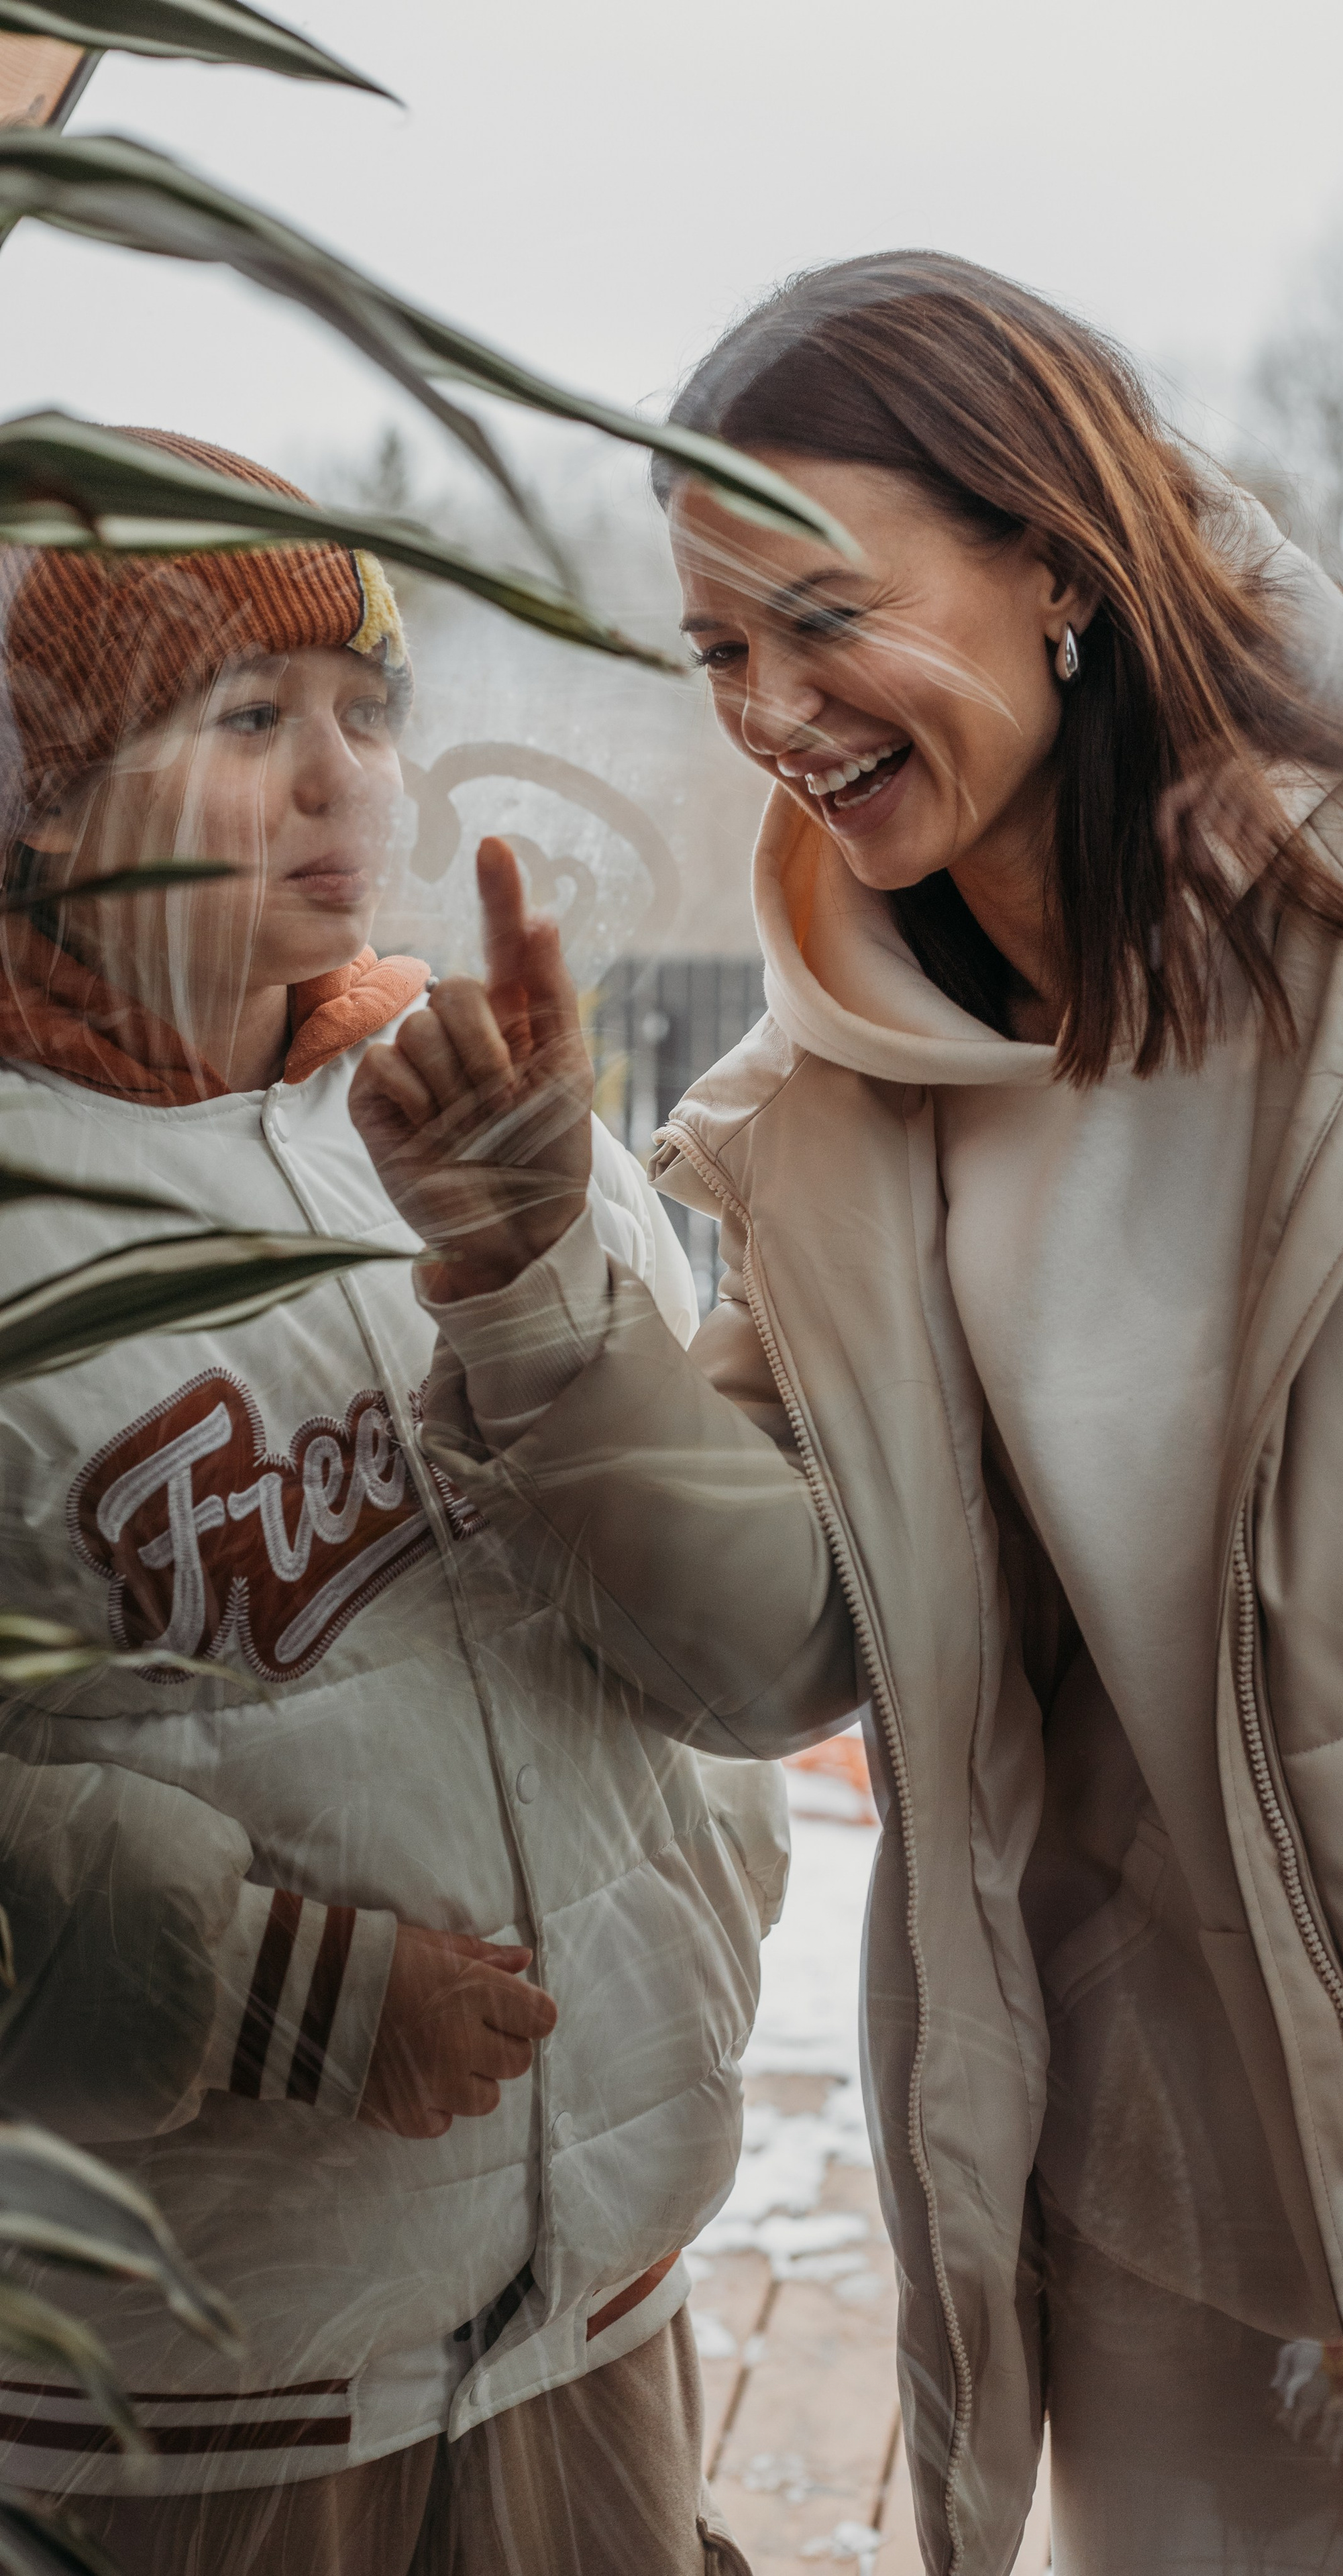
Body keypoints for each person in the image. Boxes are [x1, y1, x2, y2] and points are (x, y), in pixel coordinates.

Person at [353, 251, 1343, 2576]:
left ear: (1062, 565)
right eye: (717, 650)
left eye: (824, 616)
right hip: (1161, 2243)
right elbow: (781, 1650)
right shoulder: (833, 1115)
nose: (770, 709)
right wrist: (523, 1276)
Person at [0, 429, 783, 2576]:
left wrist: (541, 1261)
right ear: (47, 794)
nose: (343, 779)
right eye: (249, 717)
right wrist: (266, 1985)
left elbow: (717, 1610)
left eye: (370, 711)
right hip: (198, 2399)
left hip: (601, 2285)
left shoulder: (478, 1091)